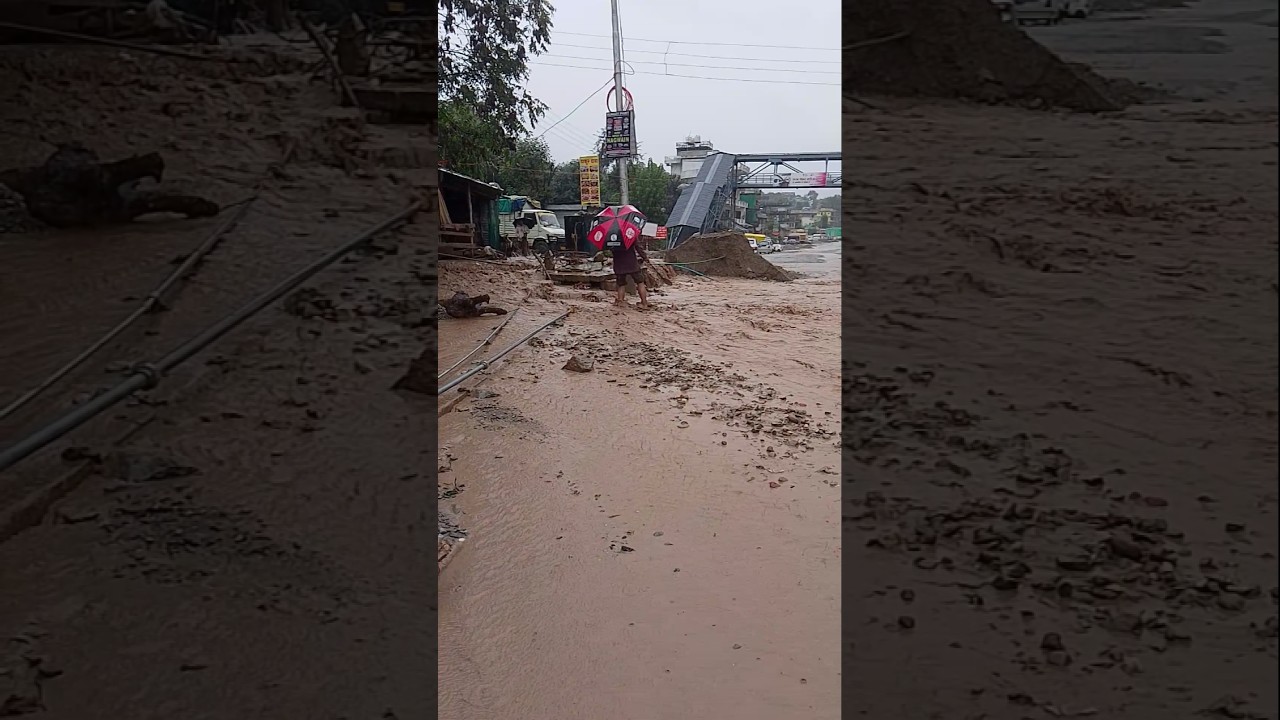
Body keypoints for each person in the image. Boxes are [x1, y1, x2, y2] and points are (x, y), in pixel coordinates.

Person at [610, 238, 651, 310]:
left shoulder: (612, 237)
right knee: (640, 282)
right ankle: (644, 303)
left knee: (621, 284)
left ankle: (620, 302)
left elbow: (610, 249)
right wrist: (645, 257)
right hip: (632, 264)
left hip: (619, 265)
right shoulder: (630, 235)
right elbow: (638, 248)